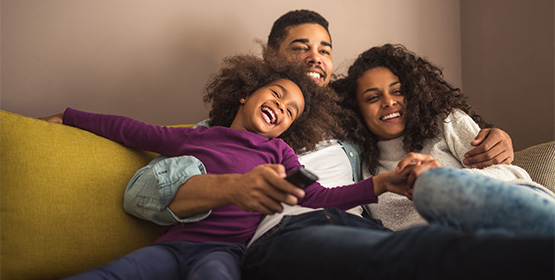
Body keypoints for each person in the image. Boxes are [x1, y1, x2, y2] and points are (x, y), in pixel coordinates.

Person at [42, 54, 414, 279]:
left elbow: (318, 195)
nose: (282, 108)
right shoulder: (198, 137)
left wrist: (380, 183)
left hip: (225, 252)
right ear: (245, 92)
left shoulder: (281, 154)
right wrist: (69, 116)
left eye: (292, 112)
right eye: (277, 95)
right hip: (172, 245)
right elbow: (129, 129)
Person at [334, 43, 555, 235]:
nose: (389, 102)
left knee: (431, 185)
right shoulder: (363, 167)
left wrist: (440, 180)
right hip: (452, 246)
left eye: (398, 91)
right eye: (373, 97)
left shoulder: (445, 122)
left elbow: (511, 173)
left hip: (515, 207)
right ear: (356, 110)